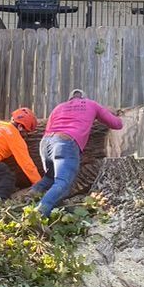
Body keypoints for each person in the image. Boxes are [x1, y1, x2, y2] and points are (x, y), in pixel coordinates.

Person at [36, 88, 123, 217]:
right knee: (63, 183)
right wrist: (110, 113)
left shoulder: (59, 107)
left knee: (50, 177)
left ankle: (30, 195)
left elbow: (48, 128)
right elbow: (117, 124)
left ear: (70, 99)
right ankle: (39, 214)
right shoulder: (91, 104)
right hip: (65, 143)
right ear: (83, 98)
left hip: (45, 143)